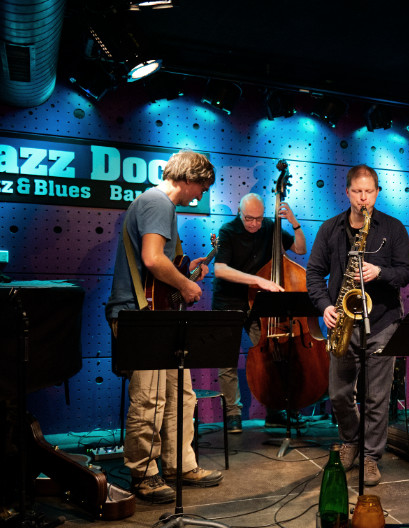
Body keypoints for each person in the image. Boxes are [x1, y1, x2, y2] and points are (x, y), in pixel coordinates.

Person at [106, 150, 224, 503]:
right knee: (150, 400)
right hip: (142, 317)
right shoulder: (158, 202)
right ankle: (144, 473)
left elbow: (161, 270)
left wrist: (187, 271)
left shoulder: (159, 205)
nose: (201, 195)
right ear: (188, 178)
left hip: (157, 314)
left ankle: (179, 464)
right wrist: (187, 285)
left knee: (179, 396)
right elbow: (153, 259)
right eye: (202, 187)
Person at [306, 165, 409, 486]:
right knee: (339, 394)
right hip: (343, 320)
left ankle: (370, 456)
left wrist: (379, 272)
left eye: (369, 192)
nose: (363, 198)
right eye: (357, 191)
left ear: (377, 192)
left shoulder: (393, 228)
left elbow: (406, 272)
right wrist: (325, 306)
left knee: (376, 398)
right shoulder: (330, 229)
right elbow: (314, 274)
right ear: (348, 192)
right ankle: (351, 440)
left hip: (382, 320)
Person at [212, 192, 307, 433]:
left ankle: (275, 411)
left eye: (258, 218)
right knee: (227, 361)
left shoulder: (270, 227)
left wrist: (294, 223)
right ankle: (233, 414)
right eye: (249, 218)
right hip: (228, 302)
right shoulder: (228, 231)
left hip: (257, 303)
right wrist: (258, 280)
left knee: (269, 356)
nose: (254, 223)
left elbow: (300, 249)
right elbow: (220, 269)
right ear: (239, 213)